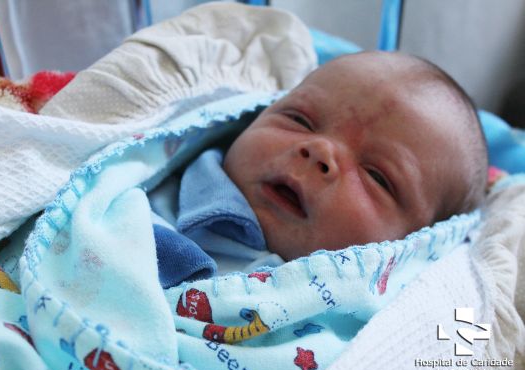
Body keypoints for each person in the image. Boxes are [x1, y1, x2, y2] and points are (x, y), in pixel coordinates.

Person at [151, 50, 488, 287]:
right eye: (300, 120)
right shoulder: (148, 192)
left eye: (376, 176)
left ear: (416, 244)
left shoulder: (365, 320)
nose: (320, 151)